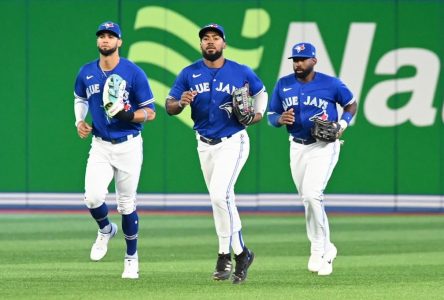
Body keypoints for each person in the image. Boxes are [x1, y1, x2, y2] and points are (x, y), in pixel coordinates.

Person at [165, 23, 268, 284]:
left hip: (233, 140)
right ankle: (227, 253)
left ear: (224, 43)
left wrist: (257, 114)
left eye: (216, 38)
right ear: (201, 45)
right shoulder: (189, 73)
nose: (210, 42)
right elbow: (169, 106)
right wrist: (181, 103)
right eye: (206, 38)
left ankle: (240, 253)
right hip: (204, 143)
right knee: (219, 199)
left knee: (219, 194)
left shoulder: (240, 71)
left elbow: (261, 92)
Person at [73, 21, 156, 279]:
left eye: (111, 36)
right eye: (102, 36)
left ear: (119, 42)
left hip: (128, 144)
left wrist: (129, 115)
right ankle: (105, 230)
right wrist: (79, 121)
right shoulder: (87, 72)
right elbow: (80, 98)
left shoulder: (133, 72)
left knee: (126, 204)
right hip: (100, 145)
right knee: (92, 197)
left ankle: (131, 258)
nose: (105, 40)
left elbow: (150, 112)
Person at [267, 42, 357, 276]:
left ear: (314, 61)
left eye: (303, 59)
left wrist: (342, 124)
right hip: (297, 146)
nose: (298, 63)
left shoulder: (330, 83)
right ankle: (326, 246)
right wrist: (279, 119)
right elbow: (271, 116)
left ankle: (321, 251)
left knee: (312, 194)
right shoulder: (283, 84)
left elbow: (350, 104)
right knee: (307, 200)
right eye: (295, 60)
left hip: (324, 145)